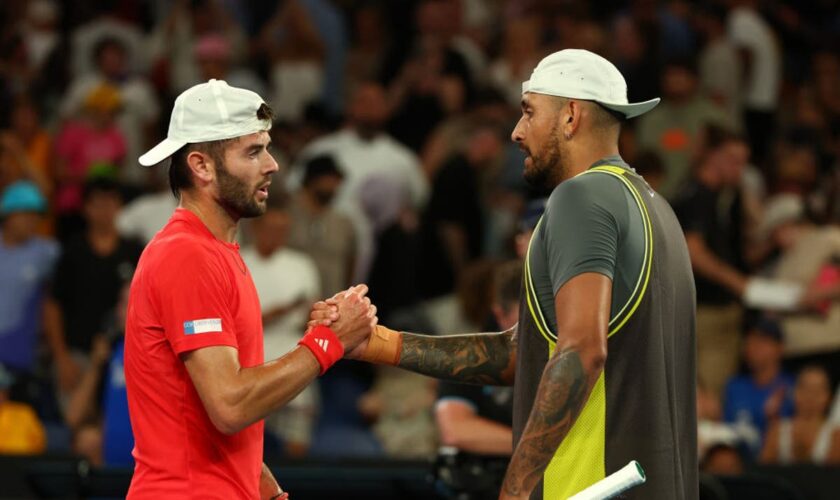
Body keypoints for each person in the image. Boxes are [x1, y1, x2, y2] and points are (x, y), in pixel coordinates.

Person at [314, 49, 697, 499]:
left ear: (571, 115)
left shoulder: (582, 197)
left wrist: (516, 487)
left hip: (587, 487)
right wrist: (378, 343)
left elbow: (580, 351)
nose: (516, 132)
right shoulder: (655, 208)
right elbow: (524, 352)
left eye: (529, 112)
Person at [124, 79, 376, 499]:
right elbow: (229, 405)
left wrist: (265, 488)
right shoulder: (188, 255)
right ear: (201, 166)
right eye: (254, 151)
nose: (273, 164)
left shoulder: (213, 251)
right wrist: (328, 343)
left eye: (268, 147)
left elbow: (205, 413)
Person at [241, 201, 321, 457]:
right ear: (256, 228)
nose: (277, 235)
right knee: (244, 447)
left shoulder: (302, 265)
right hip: (248, 364)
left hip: (293, 360)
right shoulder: (239, 262)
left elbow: (313, 317)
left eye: (283, 229)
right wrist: (272, 314)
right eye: (271, 228)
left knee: (297, 443)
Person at [760, 365, 840, 465]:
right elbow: (763, 470)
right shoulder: (777, 431)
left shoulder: (836, 435)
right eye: (805, 388)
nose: (810, 396)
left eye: (817, 390)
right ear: (795, 392)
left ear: (828, 396)